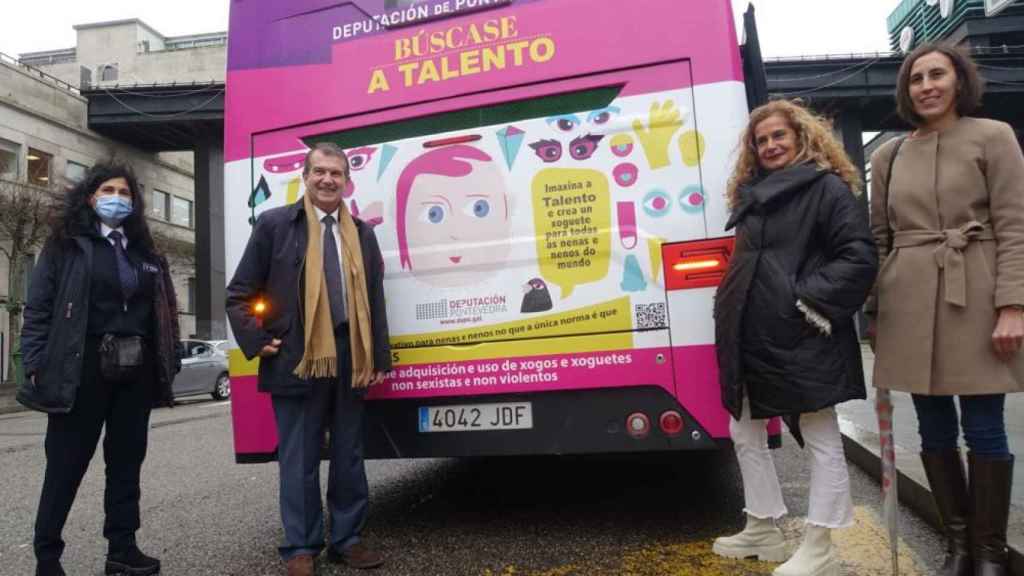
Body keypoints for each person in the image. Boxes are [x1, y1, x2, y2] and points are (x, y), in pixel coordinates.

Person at [868, 42, 1024, 576]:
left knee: (984, 425)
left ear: (959, 80)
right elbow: (880, 239)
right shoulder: (887, 155)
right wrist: (877, 305)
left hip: (975, 290)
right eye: (916, 78)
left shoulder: (994, 137)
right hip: (907, 298)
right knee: (931, 429)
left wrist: (1013, 305)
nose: (927, 85)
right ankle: (958, 548)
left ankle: (990, 554)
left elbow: (1013, 225)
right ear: (906, 90)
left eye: (938, 74)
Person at [712, 100, 878, 576]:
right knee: (743, 429)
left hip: (801, 329)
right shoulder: (752, 195)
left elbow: (859, 256)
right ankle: (763, 526)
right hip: (750, 330)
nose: (770, 146)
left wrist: (807, 301)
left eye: (779, 136)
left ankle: (821, 545)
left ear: (801, 137)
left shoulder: (826, 188)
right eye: (761, 140)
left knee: (819, 433)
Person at [227, 142, 392, 576]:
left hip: (350, 357)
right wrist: (258, 339)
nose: (327, 180)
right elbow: (239, 293)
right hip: (296, 359)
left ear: (347, 181)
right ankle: (301, 546)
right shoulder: (275, 226)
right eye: (319, 171)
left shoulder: (363, 233)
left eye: (336, 173)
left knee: (348, 454)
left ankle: (348, 539)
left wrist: (377, 355)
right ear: (305, 175)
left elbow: (374, 299)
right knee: (298, 457)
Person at [17, 161, 182, 576]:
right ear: (91, 197)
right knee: (65, 465)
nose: (117, 198)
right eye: (108, 190)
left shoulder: (147, 252)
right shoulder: (66, 246)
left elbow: (165, 312)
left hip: (136, 371)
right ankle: (48, 556)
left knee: (127, 464)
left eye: (125, 192)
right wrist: (34, 361)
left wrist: (170, 356)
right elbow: (38, 309)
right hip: (81, 367)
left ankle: (122, 549)